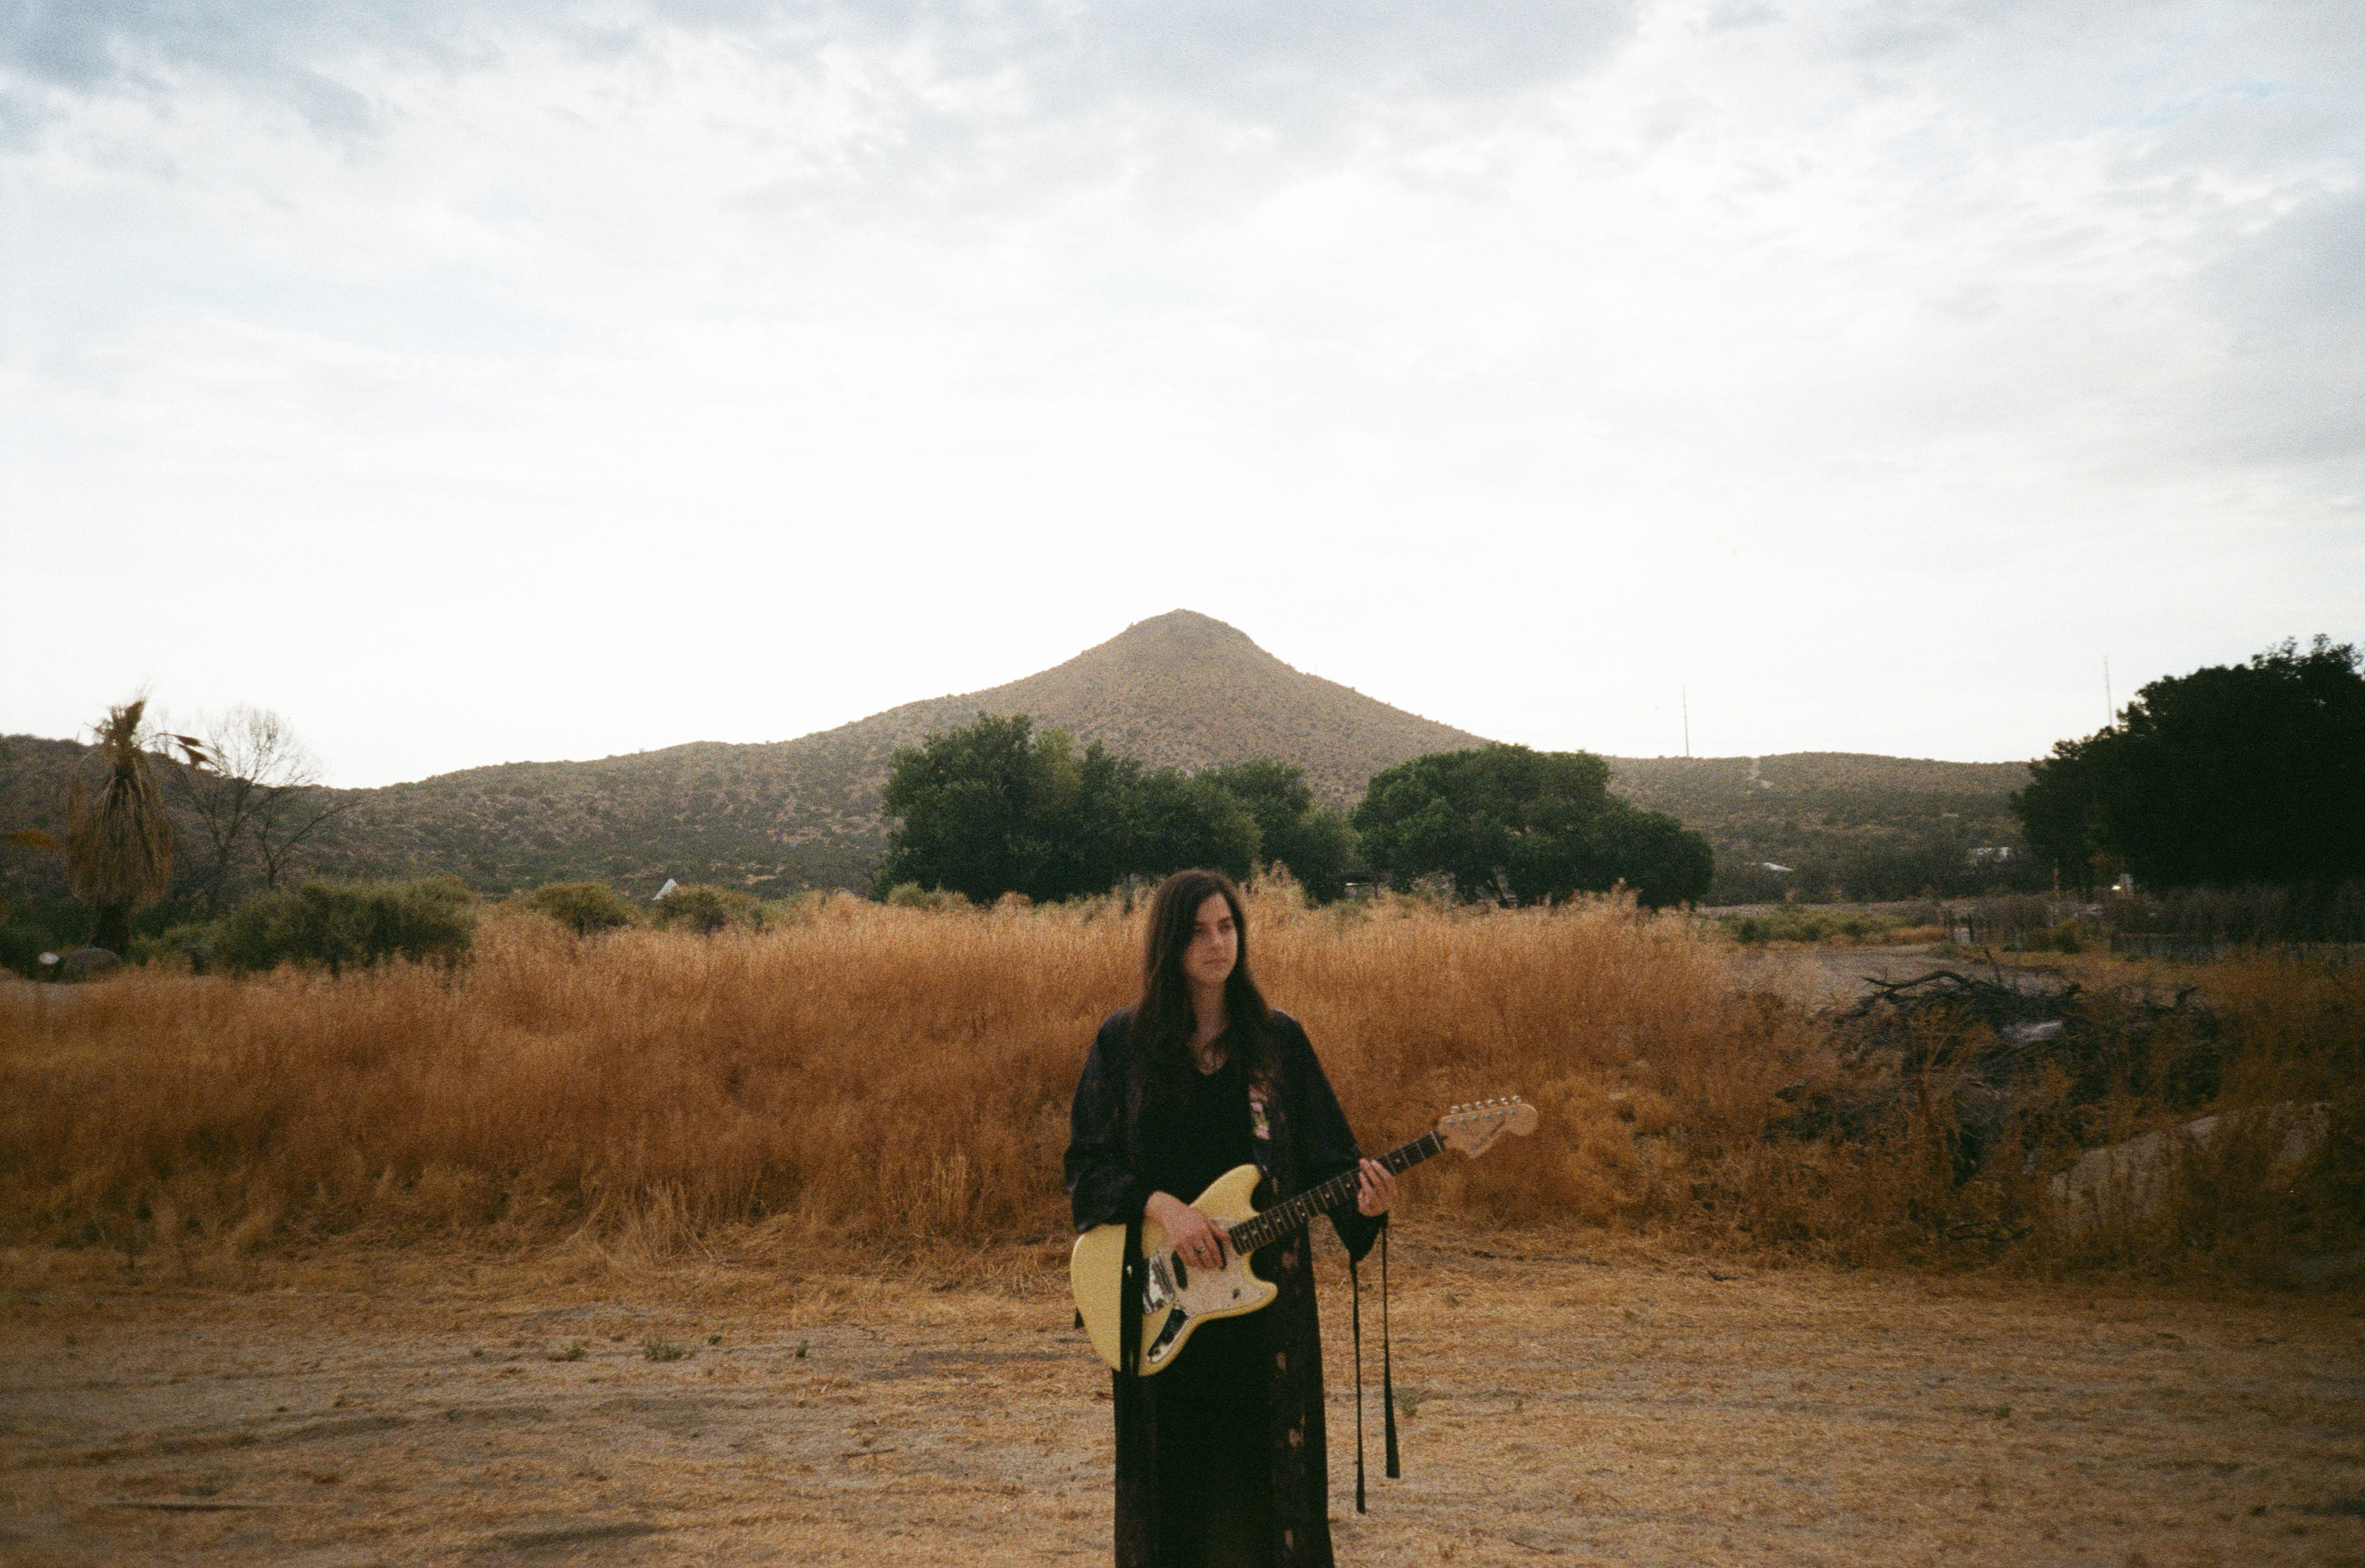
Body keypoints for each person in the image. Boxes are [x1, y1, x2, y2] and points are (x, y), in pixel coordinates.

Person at [1066, 868, 1396, 1568]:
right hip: (1159, 1304)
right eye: (1198, 931)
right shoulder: (1124, 1042)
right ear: (1168, 943)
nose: (1218, 943)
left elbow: (1330, 1159)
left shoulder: (1277, 1043)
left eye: (1228, 926)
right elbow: (1087, 1165)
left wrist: (1365, 1203)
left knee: (1261, 1493)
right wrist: (1165, 1209)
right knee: (1174, 1490)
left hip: (1262, 1313)